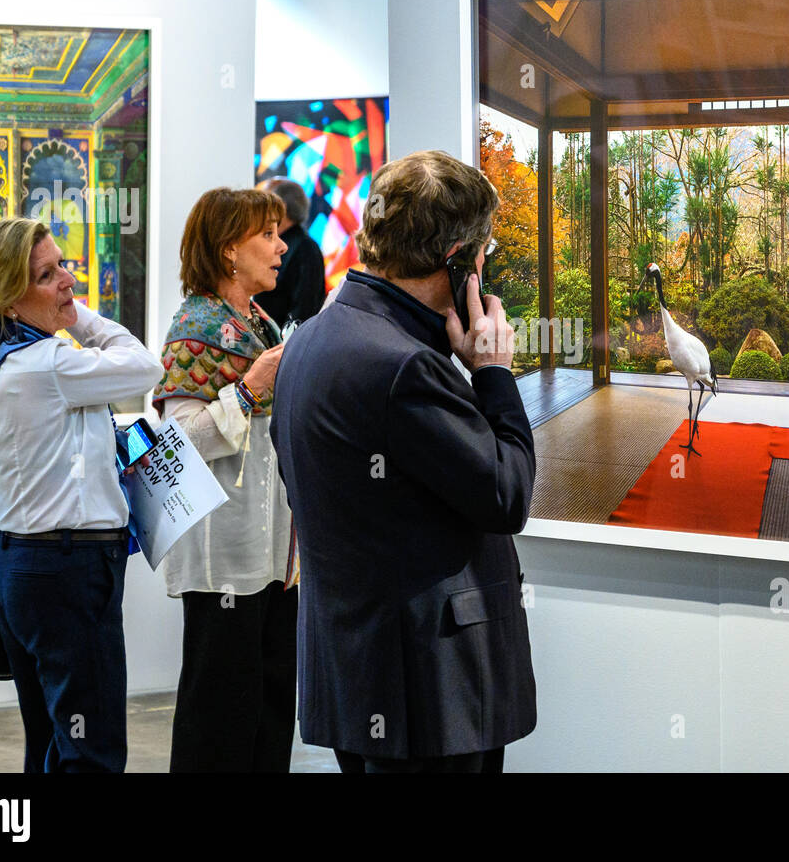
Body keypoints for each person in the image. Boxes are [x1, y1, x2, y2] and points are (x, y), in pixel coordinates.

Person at [271, 150, 537, 773]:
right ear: (459, 259)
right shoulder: (404, 365)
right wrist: (494, 372)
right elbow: (507, 495)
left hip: (359, 677)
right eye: (484, 254)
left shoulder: (311, 339)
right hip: (426, 690)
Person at [0, 217, 161, 772]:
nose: (67, 279)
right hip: (66, 568)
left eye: (62, 264)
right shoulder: (47, 364)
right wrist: (79, 317)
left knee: (50, 738)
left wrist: (55, 303)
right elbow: (145, 367)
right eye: (47, 275)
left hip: (19, 563)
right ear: (7, 301)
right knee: (90, 751)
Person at [152, 186, 298, 772]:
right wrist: (250, 387)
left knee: (267, 710)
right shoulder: (195, 326)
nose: (281, 246)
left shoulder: (259, 322)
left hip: (272, 557)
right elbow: (179, 440)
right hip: (223, 560)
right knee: (219, 718)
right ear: (228, 250)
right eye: (267, 235)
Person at [252, 176, 326, 330]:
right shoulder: (272, 245)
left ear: (281, 208)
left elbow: (304, 311)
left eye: (264, 204)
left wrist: (284, 346)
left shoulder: (306, 249)